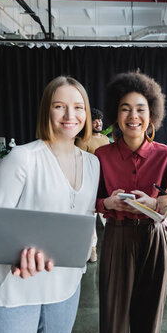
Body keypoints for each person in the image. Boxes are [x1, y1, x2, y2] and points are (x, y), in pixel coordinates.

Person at [0, 76, 100, 333]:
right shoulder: (22, 158)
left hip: (65, 284)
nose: (71, 116)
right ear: (47, 110)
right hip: (16, 286)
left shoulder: (93, 163)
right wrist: (16, 254)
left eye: (78, 107)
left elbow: (86, 216)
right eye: (60, 106)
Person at [95, 72, 167, 333]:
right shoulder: (101, 156)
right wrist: (108, 202)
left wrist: (155, 202)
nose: (133, 116)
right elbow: (92, 201)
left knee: (148, 324)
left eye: (141, 109)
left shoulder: (166, 155)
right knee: (113, 332)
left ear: (152, 114)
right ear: (115, 114)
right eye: (125, 108)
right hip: (116, 236)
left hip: (154, 239)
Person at [76, 107, 110, 263]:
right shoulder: (83, 140)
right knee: (90, 216)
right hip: (89, 183)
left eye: (100, 119)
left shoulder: (105, 139)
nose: (99, 122)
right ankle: (92, 249)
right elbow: (78, 164)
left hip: (106, 183)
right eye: (95, 120)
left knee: (107, 217)